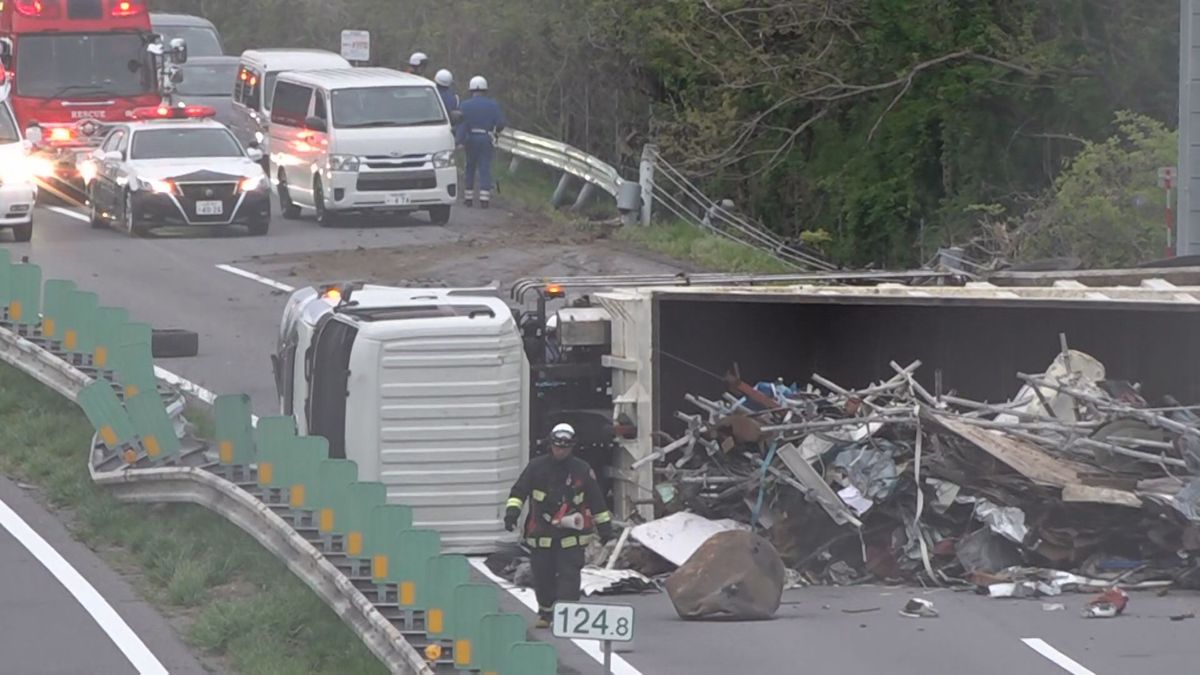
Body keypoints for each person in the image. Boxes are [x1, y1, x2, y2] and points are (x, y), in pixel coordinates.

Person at [504, 423, 615, 629]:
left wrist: (605, 529)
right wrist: (512, 513)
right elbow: (519, 492)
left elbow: (597, 501)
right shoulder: (536, 468)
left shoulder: (581, 470)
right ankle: (546, 613)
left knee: (569, 576)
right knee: (542, 576)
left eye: (565, 447)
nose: (560, 450)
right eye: (557, 446)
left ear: (572, 446)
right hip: (541, 534)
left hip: (571, 536)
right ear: (551, 445)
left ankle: (569, 617)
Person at [455, 75, 506, 208]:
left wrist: (459, 141)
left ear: (471, 90)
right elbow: (501, 123)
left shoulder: (465, 105)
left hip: (470, 138)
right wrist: (496, 132)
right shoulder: (492, 105)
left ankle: (468, 198)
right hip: (485, 138)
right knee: (485, 167)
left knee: (470, 167)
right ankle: (484, 199)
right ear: (485, 90)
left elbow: (462, 124)